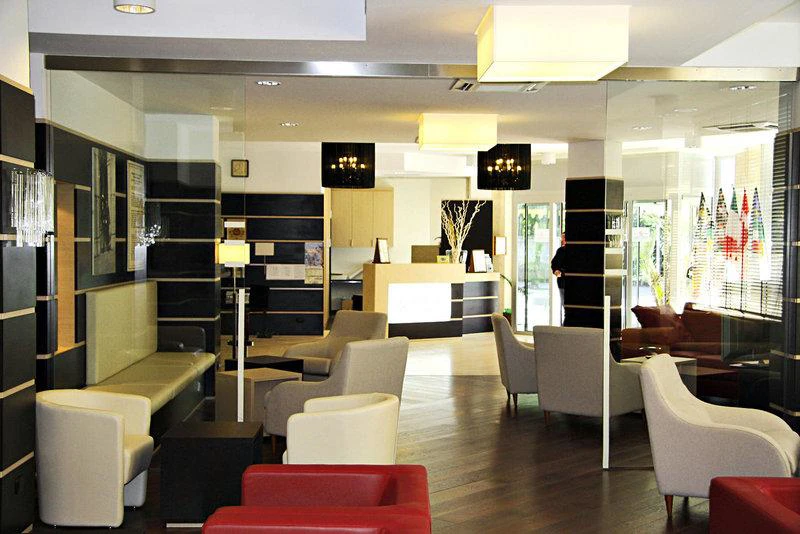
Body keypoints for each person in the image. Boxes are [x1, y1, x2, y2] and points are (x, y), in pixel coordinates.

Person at [551, 233, 567, 313]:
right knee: (565, 305)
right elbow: (554, 263)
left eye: (563, 237)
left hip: (571, 282)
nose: (562, 239)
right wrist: (556, 271)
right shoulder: (560, 250)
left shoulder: (575, 252)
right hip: (562, 282)